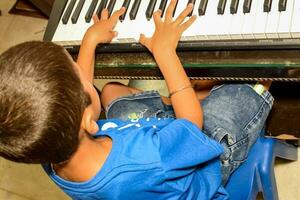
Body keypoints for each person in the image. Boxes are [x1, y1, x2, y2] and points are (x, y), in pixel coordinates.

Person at [0, 0, 273, 199]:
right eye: (81, 77)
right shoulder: (151, 158)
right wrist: (165, 52)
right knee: (245, 86)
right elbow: (192, 122)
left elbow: (83, 101)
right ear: (86, 120)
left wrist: (90, 41)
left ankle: (189, 95)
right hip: (197, 166)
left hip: (131, 146)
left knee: (109, 93)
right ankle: (211, 92)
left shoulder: (48, 152)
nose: (85, 75)